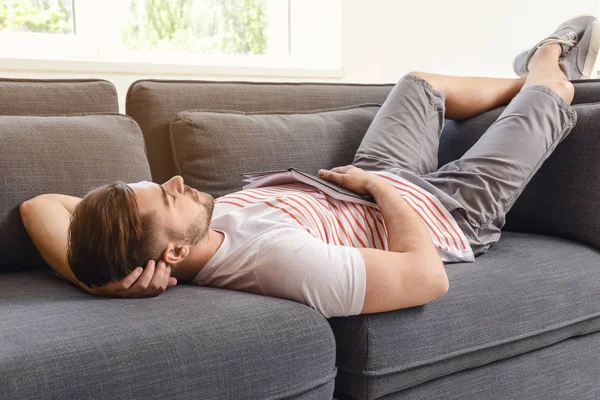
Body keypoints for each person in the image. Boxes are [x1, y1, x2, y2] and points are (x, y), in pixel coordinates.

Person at [20, 16, 599, 318]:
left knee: (419, 84)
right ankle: (548, 58)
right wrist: (379, 186)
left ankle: (521, 74)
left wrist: (96, 282)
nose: (174, 181)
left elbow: (38, 206)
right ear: (171, 255)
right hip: (445, 212)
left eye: (158, 184)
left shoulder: (185, 230)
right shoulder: (273, 260)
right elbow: (427, 278)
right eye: (167, 198)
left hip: (368, 178)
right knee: (552, 98)